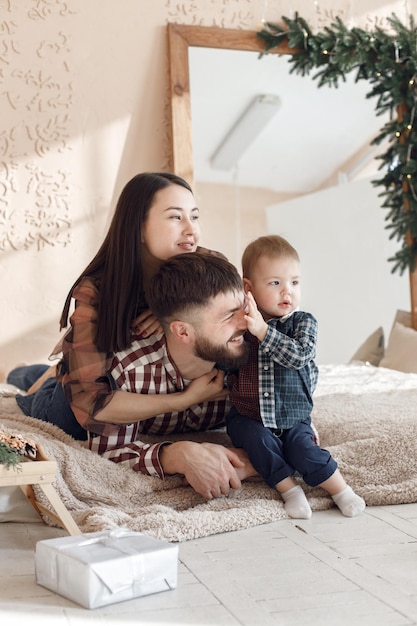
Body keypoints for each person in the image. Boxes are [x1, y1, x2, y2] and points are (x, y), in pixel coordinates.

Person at [7, 173, 255, 499]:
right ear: (139, 226)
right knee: (59, 412)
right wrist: (185, 399)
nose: (191, 230)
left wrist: (163, 309)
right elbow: (92, 406)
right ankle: (34, 372)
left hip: (131, 376)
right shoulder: (99, 290)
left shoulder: (207, 267)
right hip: (98, 384)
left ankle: (54, 369)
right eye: (175, 217)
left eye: (194, 216)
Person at [226, 235, 366, 518]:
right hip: (250, 414)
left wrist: (263, 332)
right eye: (275, 283)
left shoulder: (303, 322)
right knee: (258, 442)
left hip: (294, 414)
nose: (286, 291)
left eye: (295, 282)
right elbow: (227, 363)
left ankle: (341, 490)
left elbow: (299, 355)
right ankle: (289, 489)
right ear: (248, 288)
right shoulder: (241, 327)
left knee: (302, 449)